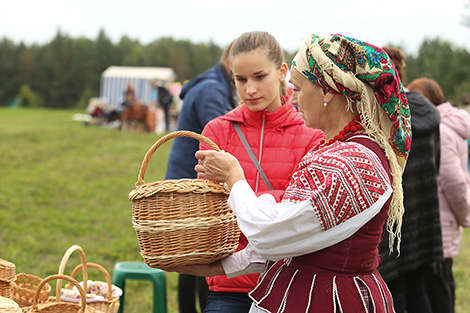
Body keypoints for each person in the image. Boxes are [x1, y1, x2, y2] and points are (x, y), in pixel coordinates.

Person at [170, 33, 412, 313]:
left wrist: (235, 177)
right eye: (241, 79)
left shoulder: (352, 162)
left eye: (297, 88)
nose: (293, 98)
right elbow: (294, 238)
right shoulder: (346, 152)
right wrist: (220, 265)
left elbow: (271, 235)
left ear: (327, 91)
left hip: (329, 300)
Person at [198, 31, 324, 313]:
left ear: (281, 72)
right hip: (229, 282)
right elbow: (210, 210)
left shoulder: (311, 133)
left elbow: (306, 210)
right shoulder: (217, 131)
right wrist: (272, 201)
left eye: (259, 77)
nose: (249, 90)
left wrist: (238, 191)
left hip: (290, 283)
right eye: (240, 80)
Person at [164, 42, 238, 313]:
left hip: (189, 181)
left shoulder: (213, 84)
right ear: (231, 64)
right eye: (241, 75)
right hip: (192, 186)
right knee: (201, 258)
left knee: (190, 256)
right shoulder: (212, 90)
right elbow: (224, 138)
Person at [377, 47, 443, 313]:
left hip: (395, 220)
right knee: (418, 288)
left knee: (397, 294)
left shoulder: (385, 114)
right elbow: (436, 166)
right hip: (425, 215)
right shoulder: (426, 109)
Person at [408, 77, 470, 313]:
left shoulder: (440, 129)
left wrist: (464, 214)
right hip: (447, 216)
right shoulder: (452, 123)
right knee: (443, 283)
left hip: (440, 219)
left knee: (438, 289)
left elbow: (452, 178)